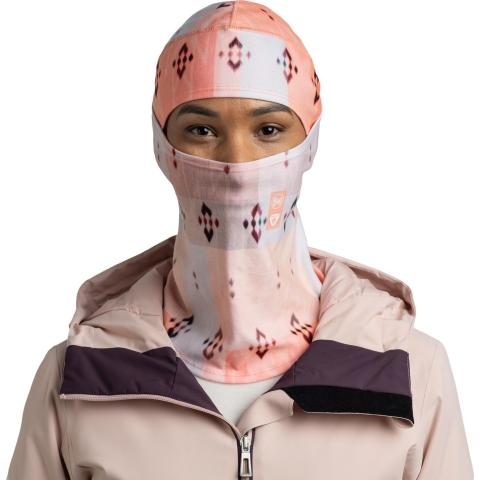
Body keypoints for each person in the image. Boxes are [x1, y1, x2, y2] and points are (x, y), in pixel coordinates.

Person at [7, 1, 474, 479]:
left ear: (309, 143)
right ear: (162, 147)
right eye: (201, 130)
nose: (236, 163)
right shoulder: (79, 377)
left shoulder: (408, 371)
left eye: (269, 130)